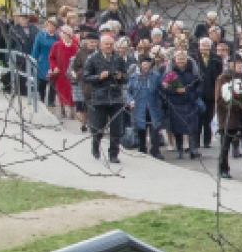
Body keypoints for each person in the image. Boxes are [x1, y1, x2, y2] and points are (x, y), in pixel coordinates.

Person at [83, 35, 129, 163]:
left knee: (116, 128)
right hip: (99, 97)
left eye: (110, 44)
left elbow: (126, 77)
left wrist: (121, 77)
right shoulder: (92, 59)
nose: (109, 47)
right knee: (98, 126)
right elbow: (86, 77)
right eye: (106, 44)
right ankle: (95, 145)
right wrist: (99, 77)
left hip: (116, 97)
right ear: (100, 45)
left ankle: (113, 154)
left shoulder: (118, 59)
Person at [161, 48, 205, 158]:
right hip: (176, 103)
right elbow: (164, 88)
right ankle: (180, 150)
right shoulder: (170, 72)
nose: (181, 62)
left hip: (190, 102)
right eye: (179, 60)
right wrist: (175, 90)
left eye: (183, 59)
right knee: (177, 128)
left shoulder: (193, 71)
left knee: (192, 127)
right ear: (175, 60)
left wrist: (194, 95)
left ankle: (193, 149)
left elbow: (199, 85)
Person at [127, 53, 164, 158]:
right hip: (139, 106)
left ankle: (155, 150)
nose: (146, 66)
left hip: (153, 106)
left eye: (148, 64)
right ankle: (142, 148)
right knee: (141, 129)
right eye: (144, 64)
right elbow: (129, 91)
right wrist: (130, 101)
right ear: (140, 65)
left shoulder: (156, 76)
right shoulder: (134, 77)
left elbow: (161, 90)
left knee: (155, 129)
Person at [48, 26, 78, 120]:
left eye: (69, 34)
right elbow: (51, 58)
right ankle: (63, 109)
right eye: (64, 33)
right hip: (60, 73)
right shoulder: (56, 45)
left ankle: (72, 111)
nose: (67, 36)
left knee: (72, 91)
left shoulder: (75, 46)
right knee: (61, 91)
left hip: (72, 73)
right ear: (61, 35)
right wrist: (54, 67)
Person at [31, 19, 57, 106]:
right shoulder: (40, 35)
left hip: (54, 61)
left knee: (53, 83)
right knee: (42, 83)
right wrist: (33, 61)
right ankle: (41, 100)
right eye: (50, 25)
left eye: (54, 25)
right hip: (43, 61)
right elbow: (35, 49)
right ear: (47, 25)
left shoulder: (57, 36)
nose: (52, 27)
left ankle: (51, 102)